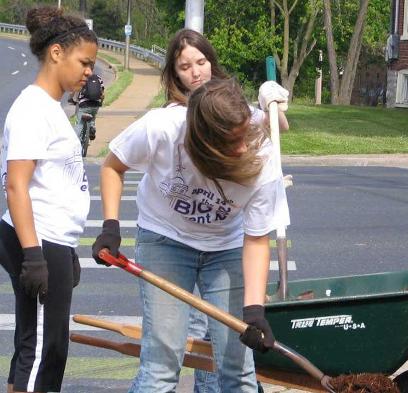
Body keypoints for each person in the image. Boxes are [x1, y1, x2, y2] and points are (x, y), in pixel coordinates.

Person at [91, 28, 289, 393]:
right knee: (162, 364)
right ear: (201, 140)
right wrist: (110, 226)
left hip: (226, 247)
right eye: (231, 145)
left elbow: (257, 239)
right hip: (166, 240)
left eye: (244, 136)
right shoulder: (163, 129)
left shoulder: (261, 154)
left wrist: (254, 311)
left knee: (237, 367)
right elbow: (111, 167)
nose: (242, 148)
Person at [0, 6, 97, 393]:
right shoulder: (32, 108)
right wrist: (36, 256)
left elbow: (55, 182)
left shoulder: (52, 107)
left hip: (52, 239)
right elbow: (16, 186)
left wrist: (67, 249)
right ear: (57, 53)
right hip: (38, 239)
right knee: (44, 351)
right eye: (85, 62)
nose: (89, 72)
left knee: (39, 345)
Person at [73, 73, 104, 141]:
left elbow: (74, 90)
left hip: (84, 104)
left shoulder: (82, 77)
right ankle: (92, 127)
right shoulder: (98, 78)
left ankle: (75, 142)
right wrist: (100, 103)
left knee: (79, 124)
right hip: (95, 104)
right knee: (92, 117)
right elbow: (102, 94)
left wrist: (71, 99)